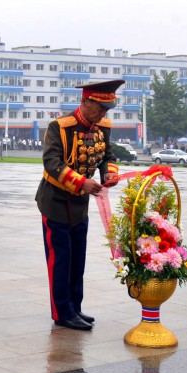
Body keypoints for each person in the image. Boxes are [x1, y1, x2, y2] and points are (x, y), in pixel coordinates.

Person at [36, 79, 122, 331]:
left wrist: (109, 173)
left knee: (77, 259)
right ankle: (62, 312)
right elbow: (51, 163)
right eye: (99, 109)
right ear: (85, 102)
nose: (102, 115)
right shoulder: (60, 126)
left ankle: (75, 307)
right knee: (60, 259)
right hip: (55, 201)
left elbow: (107, 154)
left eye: (106, 110)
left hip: (80, 204)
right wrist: (81, 182)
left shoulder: (101, 126)